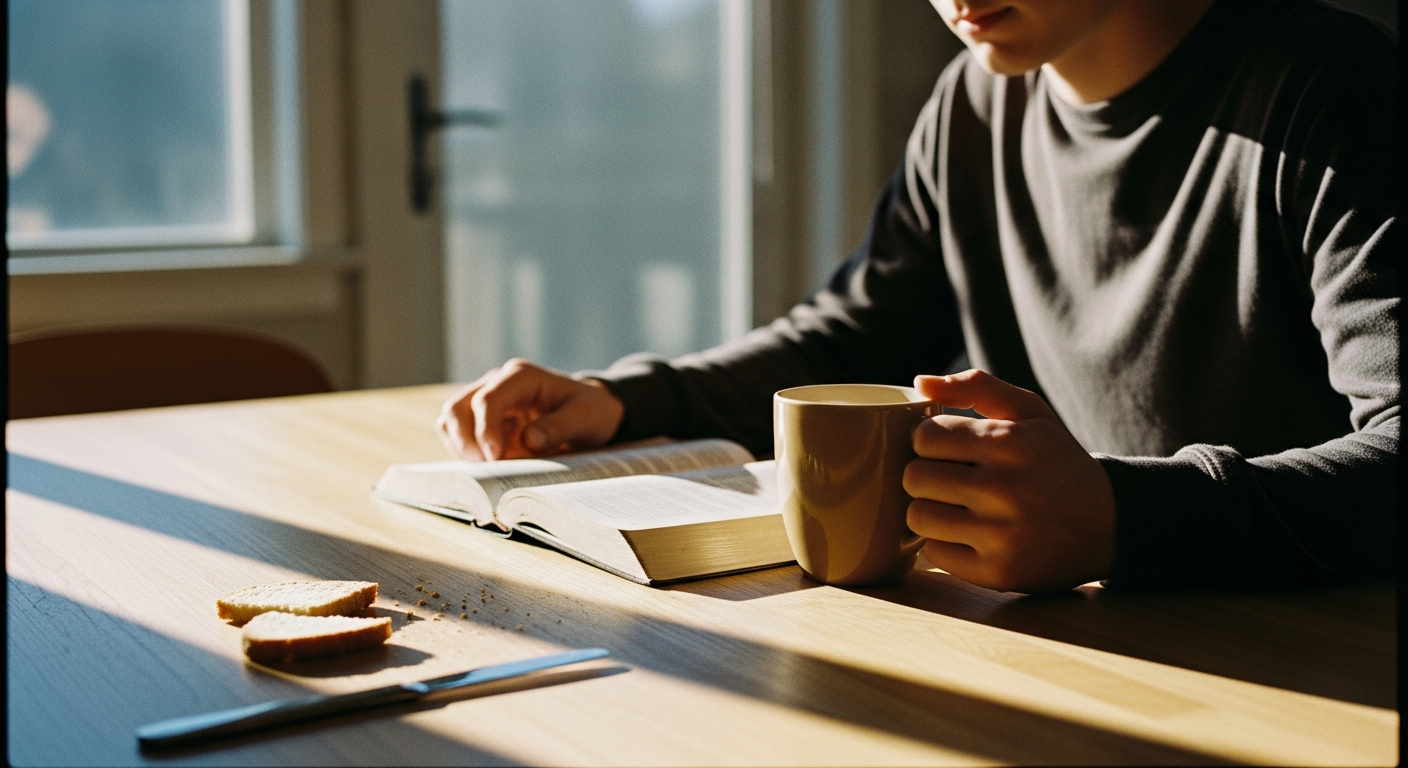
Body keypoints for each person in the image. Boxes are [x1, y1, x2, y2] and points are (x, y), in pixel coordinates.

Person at [437, 0, 1399, 593]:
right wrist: (627, 400)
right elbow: (854, 340)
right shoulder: (974, 104)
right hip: (1076, 647)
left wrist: (1123, 517)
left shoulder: (1336, 92)